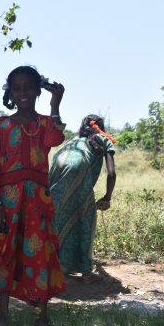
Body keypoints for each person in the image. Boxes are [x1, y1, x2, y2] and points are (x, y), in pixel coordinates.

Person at [0, 65, 67, 326]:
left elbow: (55, 138)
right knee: (5, 251)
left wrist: (56, 103)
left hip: (38, 202)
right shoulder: (2, 125)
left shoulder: (44, 123)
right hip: (7, 201)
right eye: (17, 88)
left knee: (39, 252)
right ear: (11, 91)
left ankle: (42, 315)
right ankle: (3, 315)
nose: (23, 93)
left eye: (28, 87)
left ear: (37, 91)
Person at [49, 114, 117, 283]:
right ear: (101, 128)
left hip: (56, 170)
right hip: (78, 171)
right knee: (86, 220)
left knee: (57, 219)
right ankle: (86, 273)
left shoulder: (73, 142)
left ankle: (56, 266)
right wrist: (107, 197)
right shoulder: (103, 140)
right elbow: (111, 173)